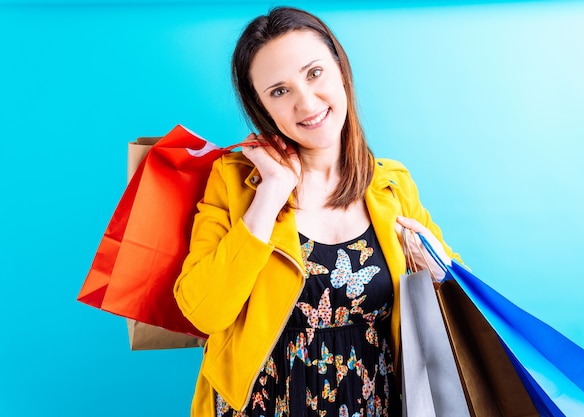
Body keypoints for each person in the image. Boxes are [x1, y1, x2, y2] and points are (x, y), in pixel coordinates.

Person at [174, 6, 461, 417]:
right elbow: (204, 312)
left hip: (377, 401)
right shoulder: (235, 183)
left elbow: (459, 306)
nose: (306, 102)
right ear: (262, 107)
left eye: (314, 73)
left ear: (340, 70)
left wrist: (438, 271)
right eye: (279, 91)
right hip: (265, 405)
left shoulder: (392, 185)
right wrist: (270, 194)